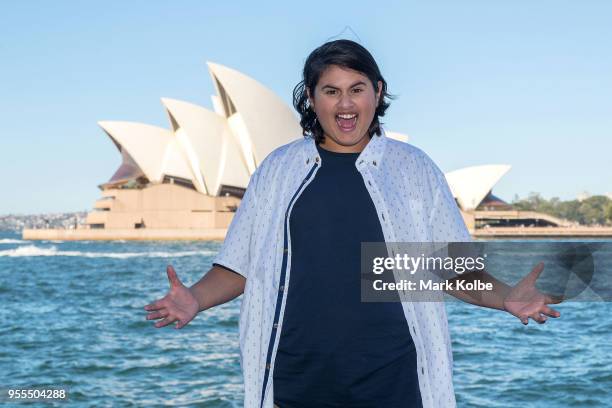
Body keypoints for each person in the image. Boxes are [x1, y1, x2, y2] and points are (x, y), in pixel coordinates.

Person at [144, 39, 562, 408]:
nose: (345, 105)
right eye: (331, 91)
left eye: (357, 89)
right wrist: (195, 299)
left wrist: (506, 296)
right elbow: (240, 265)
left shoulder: (413, 170)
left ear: (377, 93)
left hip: (396, 384)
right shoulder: (278, 170)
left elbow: (450, 269)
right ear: (311, 98)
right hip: (297, 382)